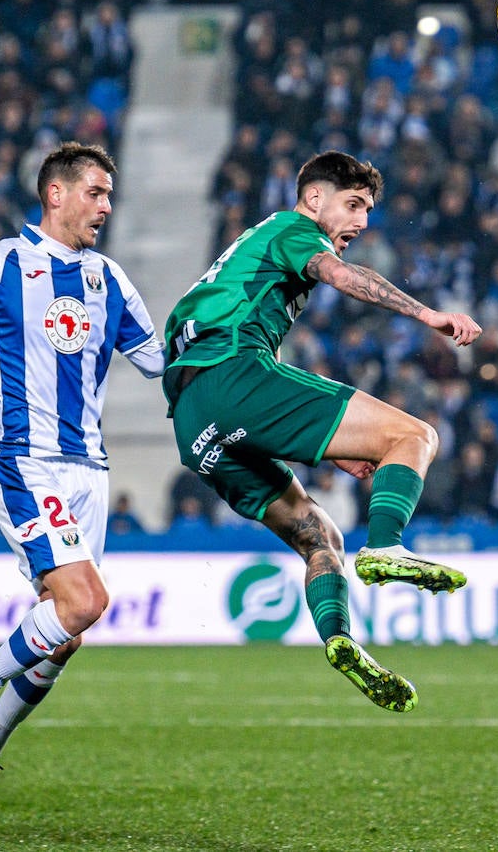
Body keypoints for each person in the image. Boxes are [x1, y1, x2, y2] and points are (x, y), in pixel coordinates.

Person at [0, 142, 163, 827]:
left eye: (109, 195)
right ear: (56, 194)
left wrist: (235, 337)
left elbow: (164, 363)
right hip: (25, 462)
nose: (106, 206)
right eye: (97, 193)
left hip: (90, 474)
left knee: (65, 634)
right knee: (85, 602)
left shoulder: (108, 277)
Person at [162, 150, 481, 712]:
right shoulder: (292, 228)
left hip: (194, 423)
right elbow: (339, 274)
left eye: (368, 209)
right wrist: (429, 316)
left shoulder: (249, 253)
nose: (361, 221)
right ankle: (386, 545)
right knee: (415, 437)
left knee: (320, 537)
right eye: (353, 204)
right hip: (234, 372)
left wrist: (331, 449)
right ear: (314, 198)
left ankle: (340, 639)